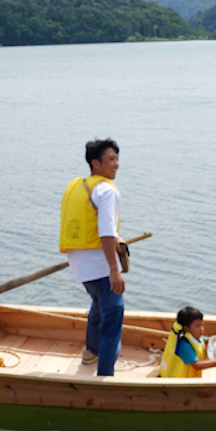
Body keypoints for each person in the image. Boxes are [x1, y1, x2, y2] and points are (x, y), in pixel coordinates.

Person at [59, 138, 126, 377]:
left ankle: (91, 352)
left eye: (117, 159)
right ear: (95, 163)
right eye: (111, 159)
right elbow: (107, 233)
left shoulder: (80, 186)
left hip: (80, 265)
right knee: (113, 316)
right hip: (100, 266)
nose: (116, 164)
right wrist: (114, 270)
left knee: (99, 305)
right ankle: (105, 374)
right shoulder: (107, 190)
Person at [159, 307, 216, 378]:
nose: (201, 329)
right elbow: (196, 365)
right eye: (197, 326)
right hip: (180, 383)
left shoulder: (195, 338)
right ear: (186, 328)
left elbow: (205, 339)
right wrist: (215, 362)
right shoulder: (185, 345)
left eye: (202, 325)